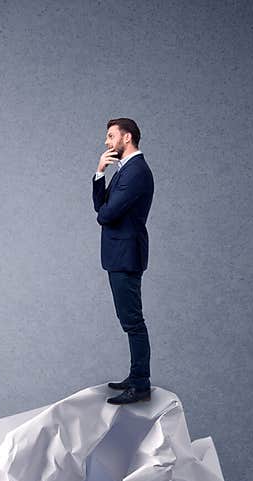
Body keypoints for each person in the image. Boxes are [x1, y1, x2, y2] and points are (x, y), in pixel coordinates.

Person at [93, 118, 155, 405]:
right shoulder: (124, 170)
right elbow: (101, 208)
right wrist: (99, 173)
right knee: (128, 320)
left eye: (110, 136)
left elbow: (106, 215)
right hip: (120, 254)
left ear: (126, 137)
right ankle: (136, 376)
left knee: (133, 322)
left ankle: (141, 384)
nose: (106, 142)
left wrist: (104, 211)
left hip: (126, 255)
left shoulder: (136, 172)